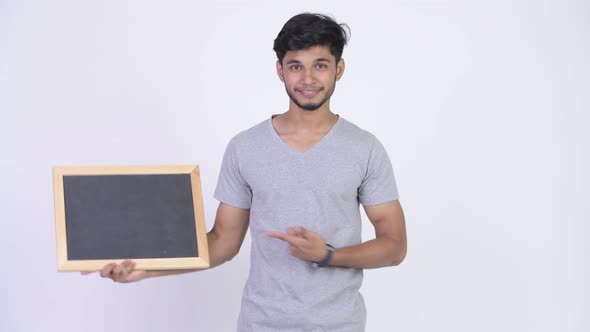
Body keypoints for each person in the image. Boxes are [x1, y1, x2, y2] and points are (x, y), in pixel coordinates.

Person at [95, 13, 407, 331]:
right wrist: (146, 269)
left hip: (340, 325)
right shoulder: (245, 147)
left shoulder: (365, 148)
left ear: (338, 69)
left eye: (320, 65)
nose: (308, 79)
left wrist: (327, 255)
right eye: (296, 66)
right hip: (262, 324)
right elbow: (223, 241)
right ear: (280, 71)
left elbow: (394, 246)